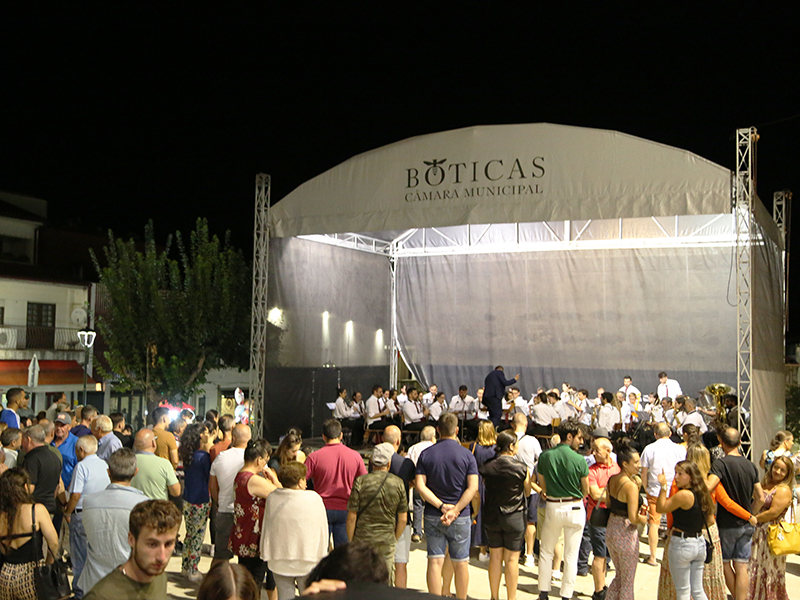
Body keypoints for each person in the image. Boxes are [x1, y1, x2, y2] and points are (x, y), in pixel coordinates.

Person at [415, 412, 479, 599]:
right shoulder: (467, 455)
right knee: (461, 563)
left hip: (434, 514)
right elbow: (473, 488)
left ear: (438, 430)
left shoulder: (426, 454)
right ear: (457, 430)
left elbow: (420, 486)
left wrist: (441, 505)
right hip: (460, 515)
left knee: (434, 561)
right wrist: (455, 509)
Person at [79, 448, 148, 595]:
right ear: (135, 472)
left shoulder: (89, 502)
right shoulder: (145, 505)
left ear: (108, 472)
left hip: (94, 583)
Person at [83, 499, 181, 600]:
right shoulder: (101, 596)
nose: (162, 557)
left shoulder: (158, 577)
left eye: (168, 544)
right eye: (152, 544)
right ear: (131, 540)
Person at [536, 418, 590, 600]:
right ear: (570, 436)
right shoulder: (579, 460)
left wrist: (547, 491)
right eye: (579, 438)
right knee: (571, 554)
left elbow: (542, 485)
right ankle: (566, 594)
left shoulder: (545, 456)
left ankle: (543, 592)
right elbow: (586, 489)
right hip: (575, 505)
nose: (581, 442)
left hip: (553, 505)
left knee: (546, 550)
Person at [260, 461, 327, 600]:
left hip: (279, 559)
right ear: (301, 481)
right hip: (307, 559)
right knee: (308, 596)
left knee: (285, 596)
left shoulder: (273, 498)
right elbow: (322, 530)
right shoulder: (314, 498)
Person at [705, 427, 759, 600]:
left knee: (725, 563)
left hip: (727, 523)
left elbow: (709, 486)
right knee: (742, 566)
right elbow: (761, 497)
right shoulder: (750, 465)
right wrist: (751, 514)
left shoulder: (720, 464)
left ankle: (737, 597)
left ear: (721, 443)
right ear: (740, 442)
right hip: (746, 524)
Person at [479, 431, 531, 600]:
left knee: (495, 556)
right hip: (514, 515)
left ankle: (494, 596)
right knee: (512, 559)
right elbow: (528, 491)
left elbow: (486, 486)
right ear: (511, 446)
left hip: (492, 514)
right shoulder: (522, 468)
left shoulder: (487, 466)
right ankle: (511, 597)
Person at [347, 443, 408, 581]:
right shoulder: (398, 483)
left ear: (372, 462)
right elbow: (403, 518)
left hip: (363, 539)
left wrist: (351, 541)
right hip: (386, 540)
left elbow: (352, 517)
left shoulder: (360, 482)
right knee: (384, 579)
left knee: (362, 580)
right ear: (389, 463)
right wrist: (394, 538)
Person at [655, 460, 714, 600]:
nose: (676, 477)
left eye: (680, 474)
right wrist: (695, 526)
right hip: (699, 542)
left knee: (683, 592)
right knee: (698, 590)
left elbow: (661, 507)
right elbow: (711, 520)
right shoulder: (702, 492)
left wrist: (663, 486)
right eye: (676, 473)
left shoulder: (684, 495)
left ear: (691, 476)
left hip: (682, 543)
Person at [230, 439, 281, 599]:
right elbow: (282, 495)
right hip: (254, 538)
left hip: (242, 534)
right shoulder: (254, 480)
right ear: (259, 459)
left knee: (246, 580)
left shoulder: (240, 476)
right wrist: (274, 479)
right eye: (265, 460)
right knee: (254, 582)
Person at [304, 419, 367, 548]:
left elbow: (299, 480)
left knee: (320, 552)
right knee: (343, 554)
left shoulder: (314, 457)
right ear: (341, 435)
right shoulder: (355, 456)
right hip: (346, 508)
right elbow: (365, 481)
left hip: (321, 508)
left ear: (323, 436)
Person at [0, 468, 59, 600]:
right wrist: (48, 564)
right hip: (31, 573)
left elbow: (3, 549)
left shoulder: (1, 515)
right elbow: (54, 543)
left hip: (6, 574)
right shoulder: (36, 510)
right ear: (25, 487)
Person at [64, 434, 111, 599]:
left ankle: (79, 594)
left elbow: (76, 494)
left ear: (81, 450)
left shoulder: (81, 467)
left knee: (79, 559)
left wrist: (68, 512)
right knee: (96, 558)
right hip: (100, 515)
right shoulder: (105, 464)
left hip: (82, 515)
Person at [604, 439, 647, 600]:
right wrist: (643, 519)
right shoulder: (631, 486)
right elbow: (633, 517)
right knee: (628, 581)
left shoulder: (612, 479)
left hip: (612, 528)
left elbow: (608, 503)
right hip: (626, 533)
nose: (639, 465)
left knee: (619, 576)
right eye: (635, 462)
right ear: (625, 464)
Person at [746, 454, 793, 600]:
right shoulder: (766, 483)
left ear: (788, 473)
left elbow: (773, 513)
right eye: (776, 467)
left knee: (769, 570)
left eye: (782, 470)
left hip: (770, 534)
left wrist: (752, 519)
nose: (777, 472)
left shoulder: (783, 489)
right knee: (754, 568)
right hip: (757, 532)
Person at [640, 422, 687, 566]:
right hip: (675, 488)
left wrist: (646, 487)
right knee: (677, 521)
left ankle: (653, 557)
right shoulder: (680, 449)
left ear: (655, 435)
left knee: (654, 522)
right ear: (670, 433)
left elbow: (644, 472)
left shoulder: (649, 449)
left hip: (655, 489)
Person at [210, 423, 251, 565]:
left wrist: (219, 501)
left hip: (225, 510)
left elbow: (213, 486)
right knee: (246, 557)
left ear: (233, 438)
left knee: (220, 556)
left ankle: (215, 583)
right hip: (246, 513)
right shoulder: (255, 459)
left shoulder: (221, 457)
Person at [381, 426, 416, 588]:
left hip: (379, 517)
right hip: (401, 517)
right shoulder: (406, 464)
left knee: (381, 563)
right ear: (398, 441)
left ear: (382, 439)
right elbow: (412, 484)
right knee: (401, 564)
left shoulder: (375, 463)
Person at [586, 435, 619, 600]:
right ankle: (599, 591)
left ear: (608, 451)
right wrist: (615, 495)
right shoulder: (592, 470)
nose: (593, 453)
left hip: (614, 516)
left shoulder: (617, 468)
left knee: (608, 554)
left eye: (597, 450)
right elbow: (594, 493)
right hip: (597, 516)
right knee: (599, 553)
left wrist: (606, 493)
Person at [180, 422, 212, 582]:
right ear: (201, 435)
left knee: (189, 534)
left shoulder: (188, 454)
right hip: (201, 498)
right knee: (198, 535)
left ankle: (185, 566)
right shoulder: (203, 457)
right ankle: (193, 568)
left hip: (187, 497)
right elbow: (209, 477)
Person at [19, 425, 62, 520]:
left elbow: (30, 488)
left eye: (22, 439)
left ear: (28, 440)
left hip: (34, 512)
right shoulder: (55, 457)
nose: (21, 443)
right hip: (50, 509)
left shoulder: (31, 459)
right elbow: (58, 487)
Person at [130, 429, 181, 501]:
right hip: (157, 509)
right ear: (153, 443)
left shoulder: (128, 462)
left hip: (135, 508)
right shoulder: (164, 464)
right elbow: (176, 492)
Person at [407, 425, 437, 543]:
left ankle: (417, 532)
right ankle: (432, 532)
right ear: (433, 437)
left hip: (417, 481)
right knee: (433, 506)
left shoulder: (413, 448)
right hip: (433, 482)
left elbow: (408, 463)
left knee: (417, 506)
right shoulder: (435, 447)